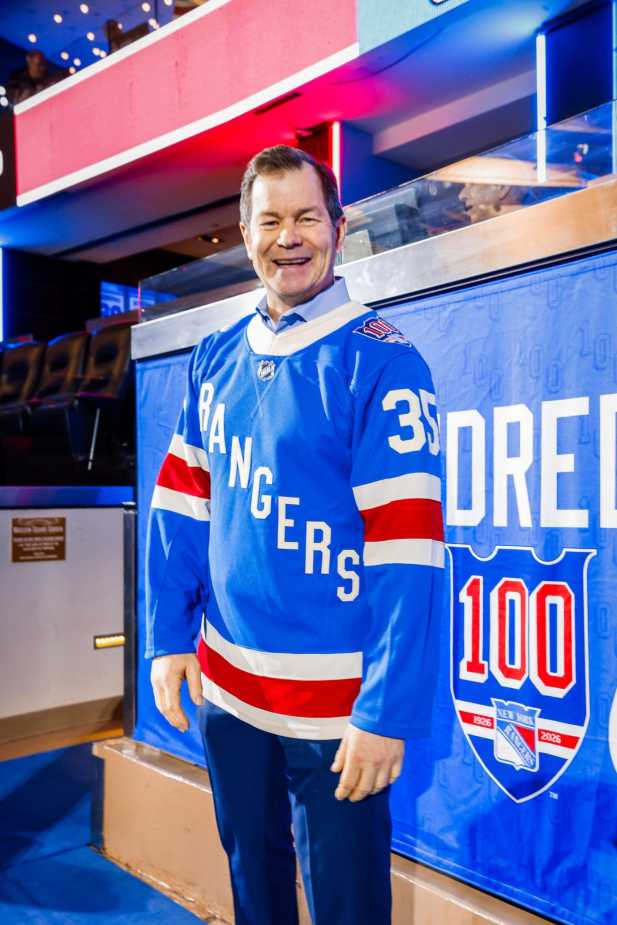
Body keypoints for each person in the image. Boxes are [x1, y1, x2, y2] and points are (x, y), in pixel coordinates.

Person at [146, 145, 444, 925]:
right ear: (244, 234)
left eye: (306, 216)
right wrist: (168, 636)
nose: (289, 236)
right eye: (269, 219)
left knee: (347, 904)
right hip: (229, 686)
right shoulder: (213, 357)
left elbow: (408, 553)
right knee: (255, 886)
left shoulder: (384, 361)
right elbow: (180, 506)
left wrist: (383, 710)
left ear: (338, 228)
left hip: (337, 709)